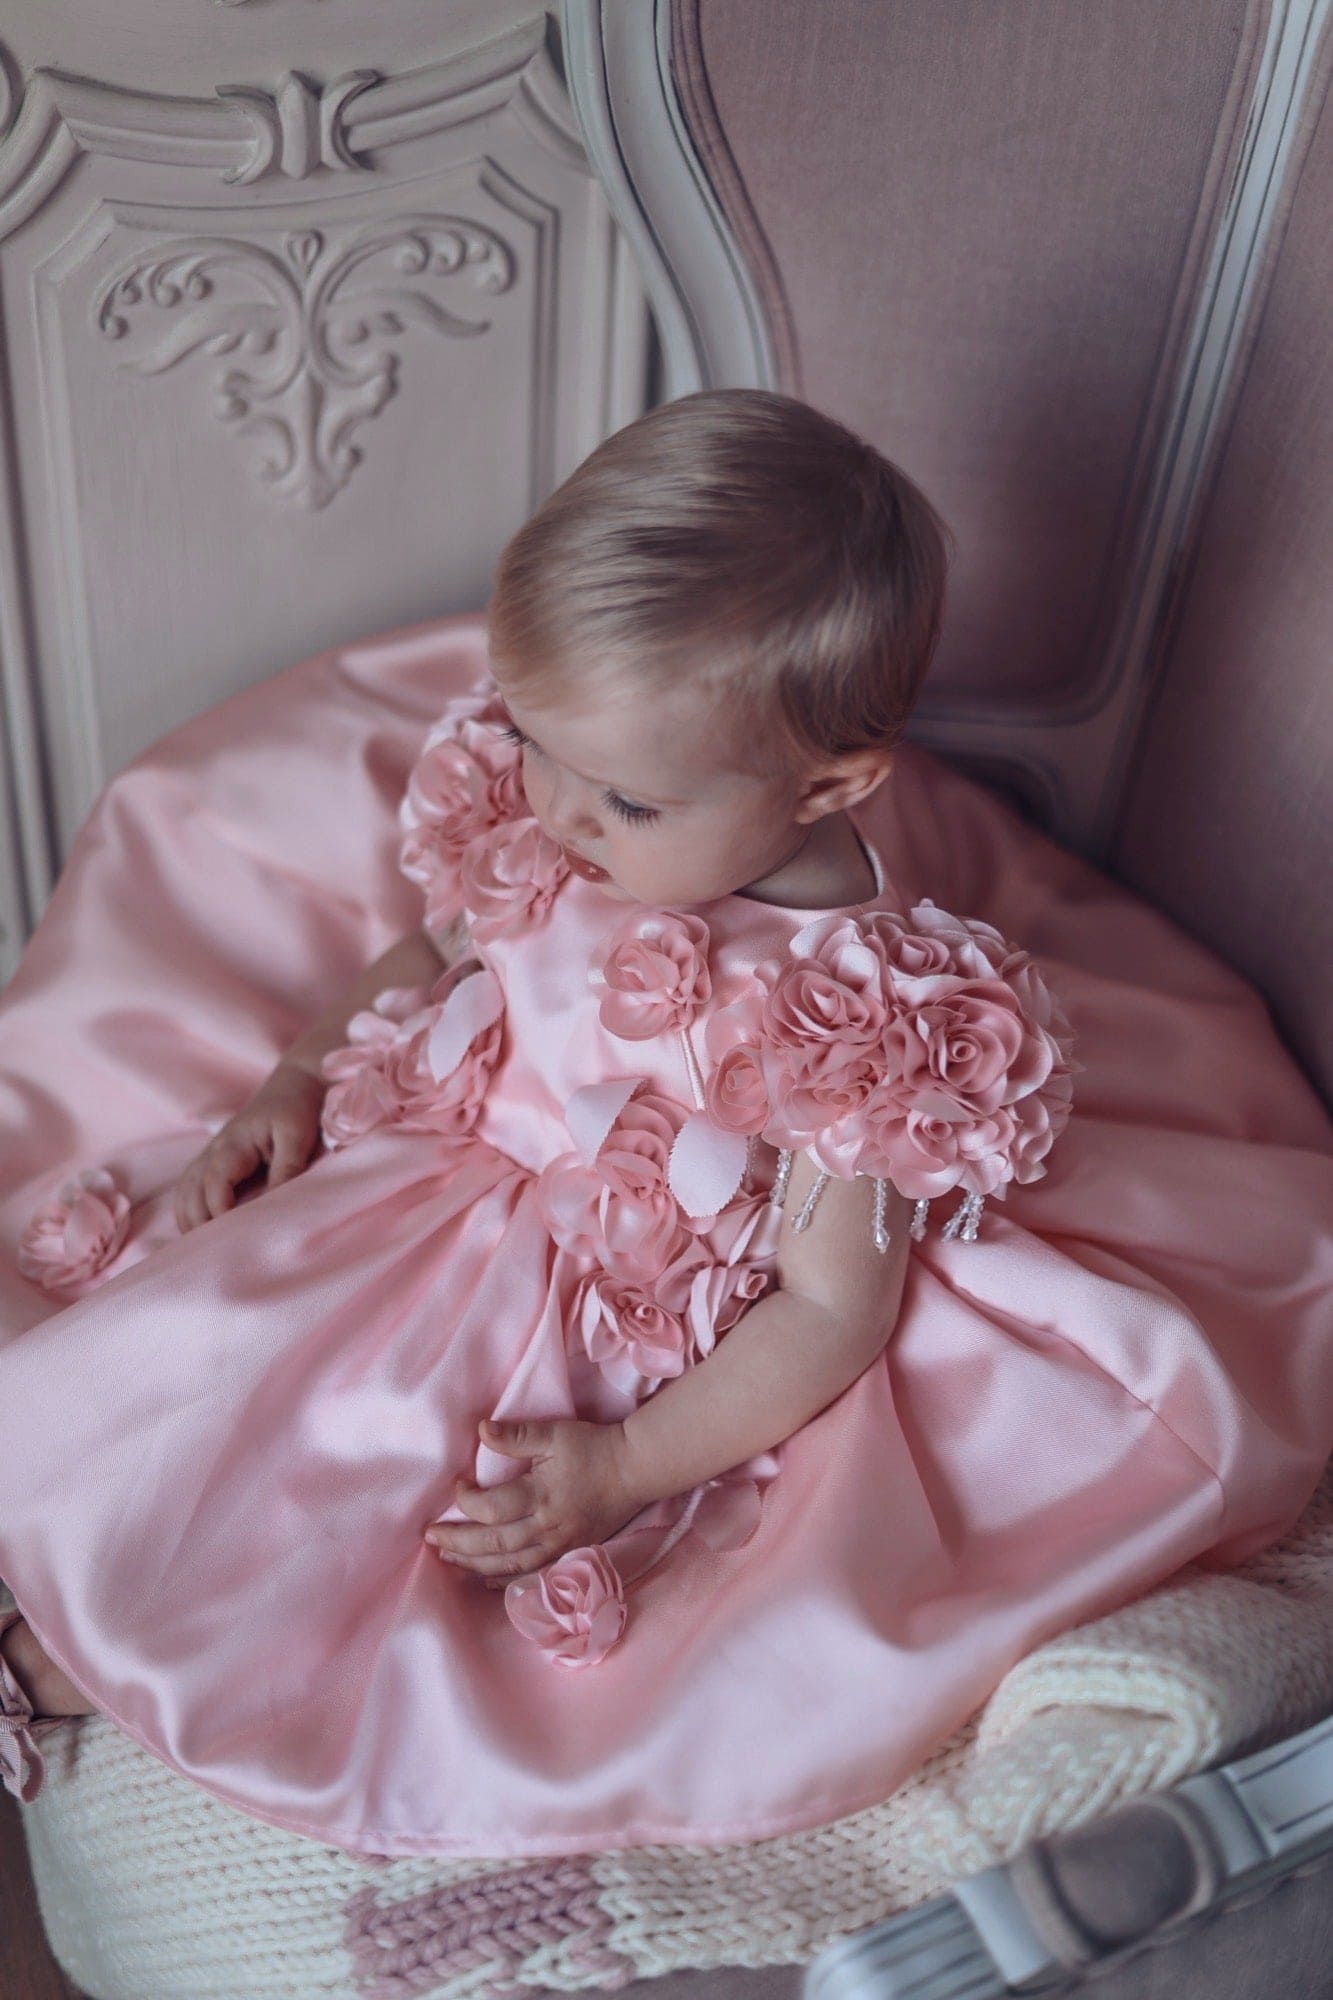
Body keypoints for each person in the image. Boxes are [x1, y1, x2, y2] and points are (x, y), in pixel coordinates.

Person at [1, 390, 1329, 1858]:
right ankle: (89, 1546)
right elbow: (445, 949)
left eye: (620, 794)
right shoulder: (567, 808)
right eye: (537, 743)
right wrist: (299, 1075)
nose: (560, 811)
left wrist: (626, 1470)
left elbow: (832, 1310)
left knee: (383, 1473)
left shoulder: (863, 1010)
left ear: (827, 785)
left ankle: (118, 1651)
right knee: (197, 1354)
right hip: (430, 1182)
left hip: (594, 1304)